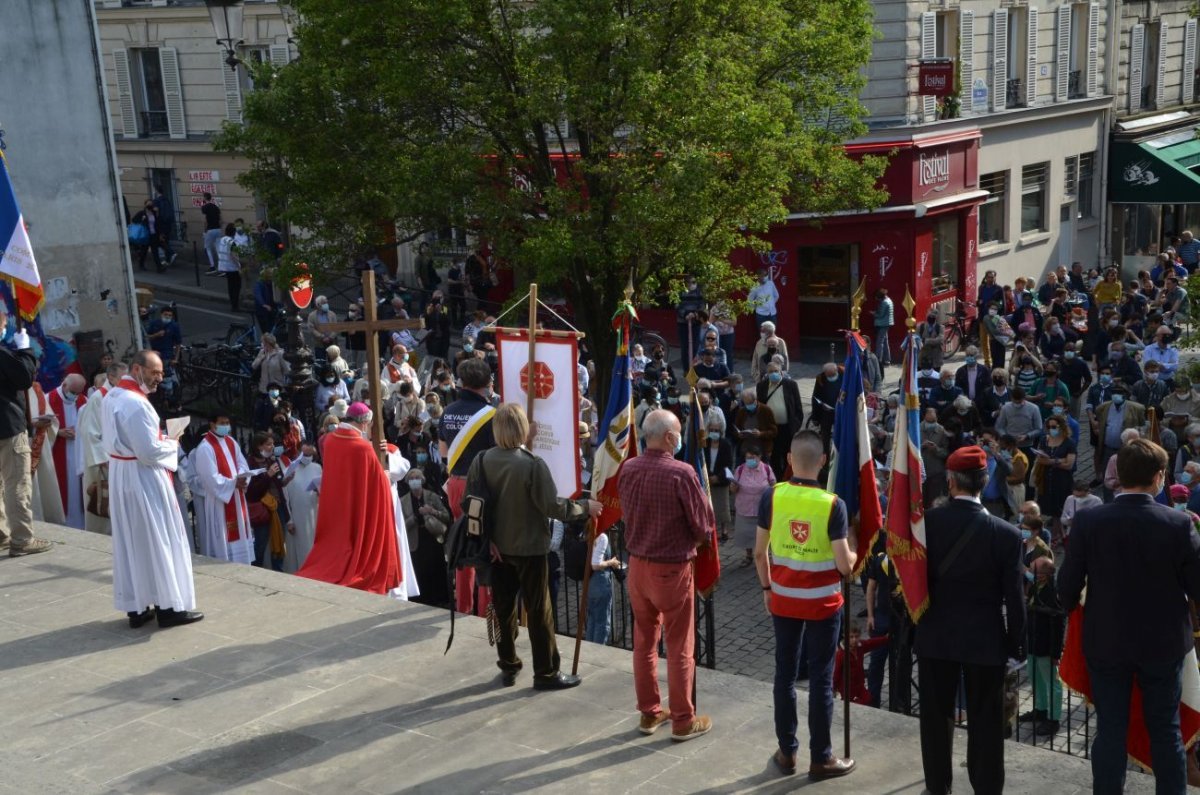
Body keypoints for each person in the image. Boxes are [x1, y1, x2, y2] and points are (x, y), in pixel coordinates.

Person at [1059, 439, 1200, 794]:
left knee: (1110, 730)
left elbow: (1066, 589)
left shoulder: (1089, 521)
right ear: (1158, 478)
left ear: (1118, 477)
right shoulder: (1179, 524)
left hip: (1106, 643)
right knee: (1165, 731)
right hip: (1163, 646)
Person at [916, 445, 1025, 795]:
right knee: (986, 724)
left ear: (950, 482)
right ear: (984, 481)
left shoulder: (927, 525)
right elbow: (1015, 598)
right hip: (985, 638)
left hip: (936, 634)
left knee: (935, 719)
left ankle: (937, 788)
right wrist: (1016, 643)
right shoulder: (1006, 534)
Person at [475, 403, 602, 688]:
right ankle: (545, 672)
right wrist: (585, 507)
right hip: (530, 549)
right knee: (539, 612)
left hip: (497, 550)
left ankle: (508, 664)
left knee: (504, 609)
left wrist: (489, 539)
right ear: (521, 429)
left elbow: (472, 505)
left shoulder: (481, 459)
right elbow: (553, 507)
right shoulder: (532, 464)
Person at [754, 429, 857, 778]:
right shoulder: (833, 505)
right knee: (821, 680)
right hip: (823, 606)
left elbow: (758, 552)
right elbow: (845, 566)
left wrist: (767, 588)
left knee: (784, 676)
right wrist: (855, 549)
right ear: (824, 462)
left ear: (789, 460)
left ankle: (787, 752)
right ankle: (821, 757)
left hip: (783, 601)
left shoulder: (773, 496)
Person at [618, 409, 715, 742]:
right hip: (671, 570)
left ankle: (649, 713)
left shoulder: (627, 468)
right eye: (678, 433)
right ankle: (683, 720)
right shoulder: (681, 473)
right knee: (679, 647)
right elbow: (702, 528)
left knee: (644, 643)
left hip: (638, 566)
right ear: (670, 438)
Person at [101, 351, 202, 629]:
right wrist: (173, 442)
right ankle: (169, 607)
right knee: (159, 538)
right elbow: (147, 451)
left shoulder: (112, 396)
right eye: (154, 372)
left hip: (123, 474)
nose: (160, 378)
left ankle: (137, 607)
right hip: (142, 477)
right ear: (136, 369)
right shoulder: (136, 404)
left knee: (134, 542)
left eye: (160, 372)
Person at [297, 402, 404, 594]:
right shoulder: (362, 447)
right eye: (370, 425)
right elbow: (378, 482)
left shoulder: (330, 439)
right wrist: (386, 475)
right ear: (364, 424)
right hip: (357, 501)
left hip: (339, 499)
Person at [437, 357, 497, 616]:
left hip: (455, 485)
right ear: (486, 383)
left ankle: (463, 607)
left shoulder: (448, 412)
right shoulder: (491, 415)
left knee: (463, 543)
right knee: (485, 546)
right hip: (482, 487)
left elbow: (442, 453)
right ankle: (486, 610)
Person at [0, 313, 52, 556]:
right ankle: (21, 539)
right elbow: (23, 377)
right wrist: (25, 350)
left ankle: (2, 534)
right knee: (17, 484)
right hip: (7, 427)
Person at [191, 414, 253, 564]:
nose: (226, 426)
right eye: (222, 423)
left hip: (237, 496)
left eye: (227, 423)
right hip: (220, 500)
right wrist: (233, 483)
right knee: (223, 539)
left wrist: (243, 478)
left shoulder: (231, 441)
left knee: (240, 533)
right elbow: (210, 478)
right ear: (212, 425)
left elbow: (242, 464)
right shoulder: (205, 448)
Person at [77, 363, 127, 536]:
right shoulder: (99, 398)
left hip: (120, 458)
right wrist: (104, 460)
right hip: (104, 462)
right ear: (111, 377)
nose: (125, 381)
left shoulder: (121, 395)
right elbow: (89, 432)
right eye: (122, 377)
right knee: (104, 505)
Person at [398, 467, 450, 606]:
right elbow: (400, 524)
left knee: (435, 570)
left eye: (417, 478)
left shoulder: (432, 496)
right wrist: (414, 518)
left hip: (432, 539)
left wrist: (432, 511)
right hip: (415, 542)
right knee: (418, 571)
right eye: (412, 479)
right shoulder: (403, 501)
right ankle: (418, 600)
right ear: (408, 482)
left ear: (422, 480)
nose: (415, 481)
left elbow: (446, 516)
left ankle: (439, 600)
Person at [48, 373, 88, 528]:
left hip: (79, 455)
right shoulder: (48, 399)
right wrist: (57, 432)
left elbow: (92, 425)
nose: (76, 396)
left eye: (79, 392)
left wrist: (81, 432)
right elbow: (39, 428)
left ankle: (81, 525)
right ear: (64, 385)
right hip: (58, 452)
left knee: (79, 493)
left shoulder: (85, 401)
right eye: (73, 392)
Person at [731, 444, 775, 565]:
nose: (750, 460)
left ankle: (764, 556)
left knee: (764, 535)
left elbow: (774, 485)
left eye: (753, 457)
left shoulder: (766, 469)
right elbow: (733, 488)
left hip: (762, 509)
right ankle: (748, 555)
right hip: (744, 507)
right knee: (746, 534)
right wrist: (734, 487)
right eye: (748, 458)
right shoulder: (740, 469)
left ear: (759, 457)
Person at [282, 440, 321, 573]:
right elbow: (285, 497)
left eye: (310, 454)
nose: (307, 457)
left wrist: (319, 491)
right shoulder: (291, 470)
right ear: (298, 452)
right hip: (297, 517)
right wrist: (289, 520)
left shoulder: (317, 468)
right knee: (297, 550)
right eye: (305, 454)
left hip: (313, 514)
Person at [758, 361, 802, 476]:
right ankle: (777, 479)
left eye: (776, 371)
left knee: (788, 455)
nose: (773, 374)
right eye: (770, 372)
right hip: (771, 429)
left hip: (787, 428)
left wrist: (795, 426)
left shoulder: (791, 385)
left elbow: (798, 408)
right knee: (774, 457)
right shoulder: (761, 386)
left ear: (781, 371)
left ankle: (789, 478)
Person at [834, 624, 889, 706]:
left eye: (856, 636)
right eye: (851, 637)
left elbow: (871, 643)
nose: (854, 640)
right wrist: (833, 688)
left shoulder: (860, 646)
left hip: (859, 684)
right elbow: (836, 673)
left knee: (868, 699)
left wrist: (885, 639)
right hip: (847, 687)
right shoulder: (841, 654)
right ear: (845, 636)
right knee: (851, 705)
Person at [216, 222, 242, 313]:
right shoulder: (232, 242)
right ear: (234, 232)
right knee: (236, 287)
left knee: (230, 287)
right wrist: (239, 267)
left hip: (224, 266)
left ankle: (233, 304)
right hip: (232, 267)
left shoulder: (222, 239)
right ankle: (235, 306)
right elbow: (233, 255)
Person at [200, 192, 222, 272]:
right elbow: (220, 219)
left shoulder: (205, 207)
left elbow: (205, 220)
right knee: (218, 248)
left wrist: (205, 231)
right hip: (218, 229)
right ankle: (221, 266)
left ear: (205, 198)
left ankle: (212, 266)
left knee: (208, 248)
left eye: (203, 197)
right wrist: (220, 227)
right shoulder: (216, 207)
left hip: (210, 229)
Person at [873, 287, 894, 368]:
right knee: (885, 342)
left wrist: (873, 313)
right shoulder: (889, 300)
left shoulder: (884, 303)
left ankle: (878, 360)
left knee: (880, 342)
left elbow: (880, 315)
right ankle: (887, 359)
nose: (877, 300)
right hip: (887, 323)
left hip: (883, 324)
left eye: (878, 298)